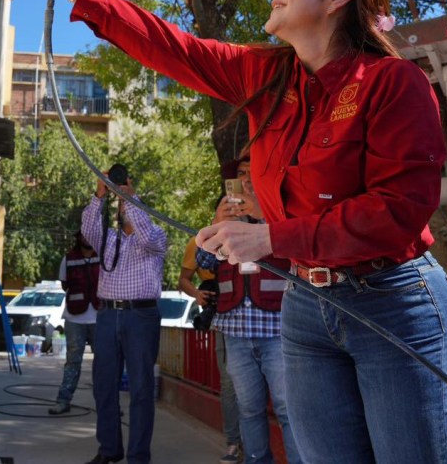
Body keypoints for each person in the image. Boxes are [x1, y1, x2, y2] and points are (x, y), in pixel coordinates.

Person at [37, 0, 447, 463]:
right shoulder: (267, 73)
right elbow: (175, 47)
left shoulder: (394, 82)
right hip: (308, 303)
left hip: (394, 301)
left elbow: (398, 212)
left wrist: (269, 238)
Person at [195, 161, 302, 464]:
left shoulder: (280, 207)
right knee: (249, 408)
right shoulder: (225, 213)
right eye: (240, 174)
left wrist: (262, 214)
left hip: (278, 327)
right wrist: (217, 220)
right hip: (236, 329)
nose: (245, 179)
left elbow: (300, 245)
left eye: (250, 172)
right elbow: (205, 260)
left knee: (287, 409)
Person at [80, 164, 167, 464]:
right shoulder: (108, 239)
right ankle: (109, 449)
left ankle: (138, 456)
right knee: (104, 386)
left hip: (140, 317)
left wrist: (131, 197)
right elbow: (88, 229)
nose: (122, 206)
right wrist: (100, 194)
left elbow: (144, 233)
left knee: (142, 389)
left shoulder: (155, 236)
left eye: (125, 201)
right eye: (120, 203)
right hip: (107, 316)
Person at [179, 227, 241, 463]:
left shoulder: (259, 229)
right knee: (228, 384)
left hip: (259, 315)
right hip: (222, 314)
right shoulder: (200, 242)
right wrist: (198, 294)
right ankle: (233, 443)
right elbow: (183, 279)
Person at [49, 232, 101, 415]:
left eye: (90, 234)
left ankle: (108, 405)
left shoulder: (103, 256)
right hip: (74, 318)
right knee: (72, 361)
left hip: (100, 317)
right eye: (84, 234)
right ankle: (63, 401)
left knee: (104, 363)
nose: (87, 237)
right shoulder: (68, 259)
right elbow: (65, 285)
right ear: (78, 237)